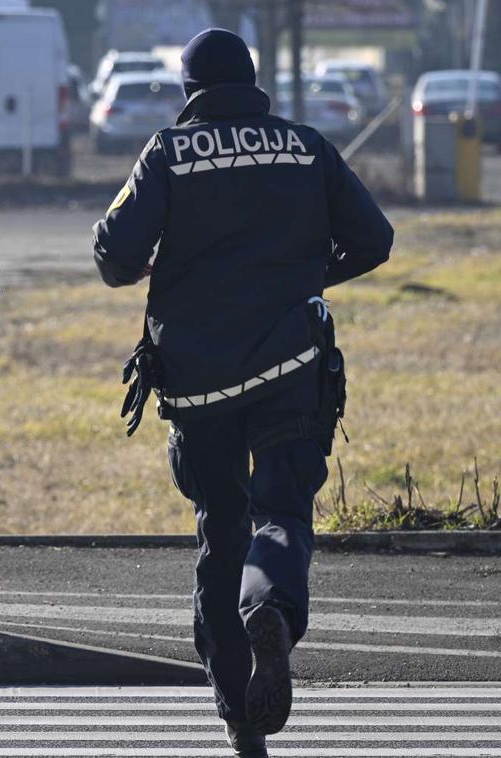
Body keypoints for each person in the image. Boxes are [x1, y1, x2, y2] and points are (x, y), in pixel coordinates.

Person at [91, 29, 392, 758]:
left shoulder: (169, 151)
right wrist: (303, 279)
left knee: (219, 529)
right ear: (254, 84)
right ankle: (273, 610)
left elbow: (115, 257)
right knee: (280, 512)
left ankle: (239, 716)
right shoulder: (305, 145)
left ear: (191, 91)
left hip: (197, 385)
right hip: (291, 368)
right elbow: (375, 239)